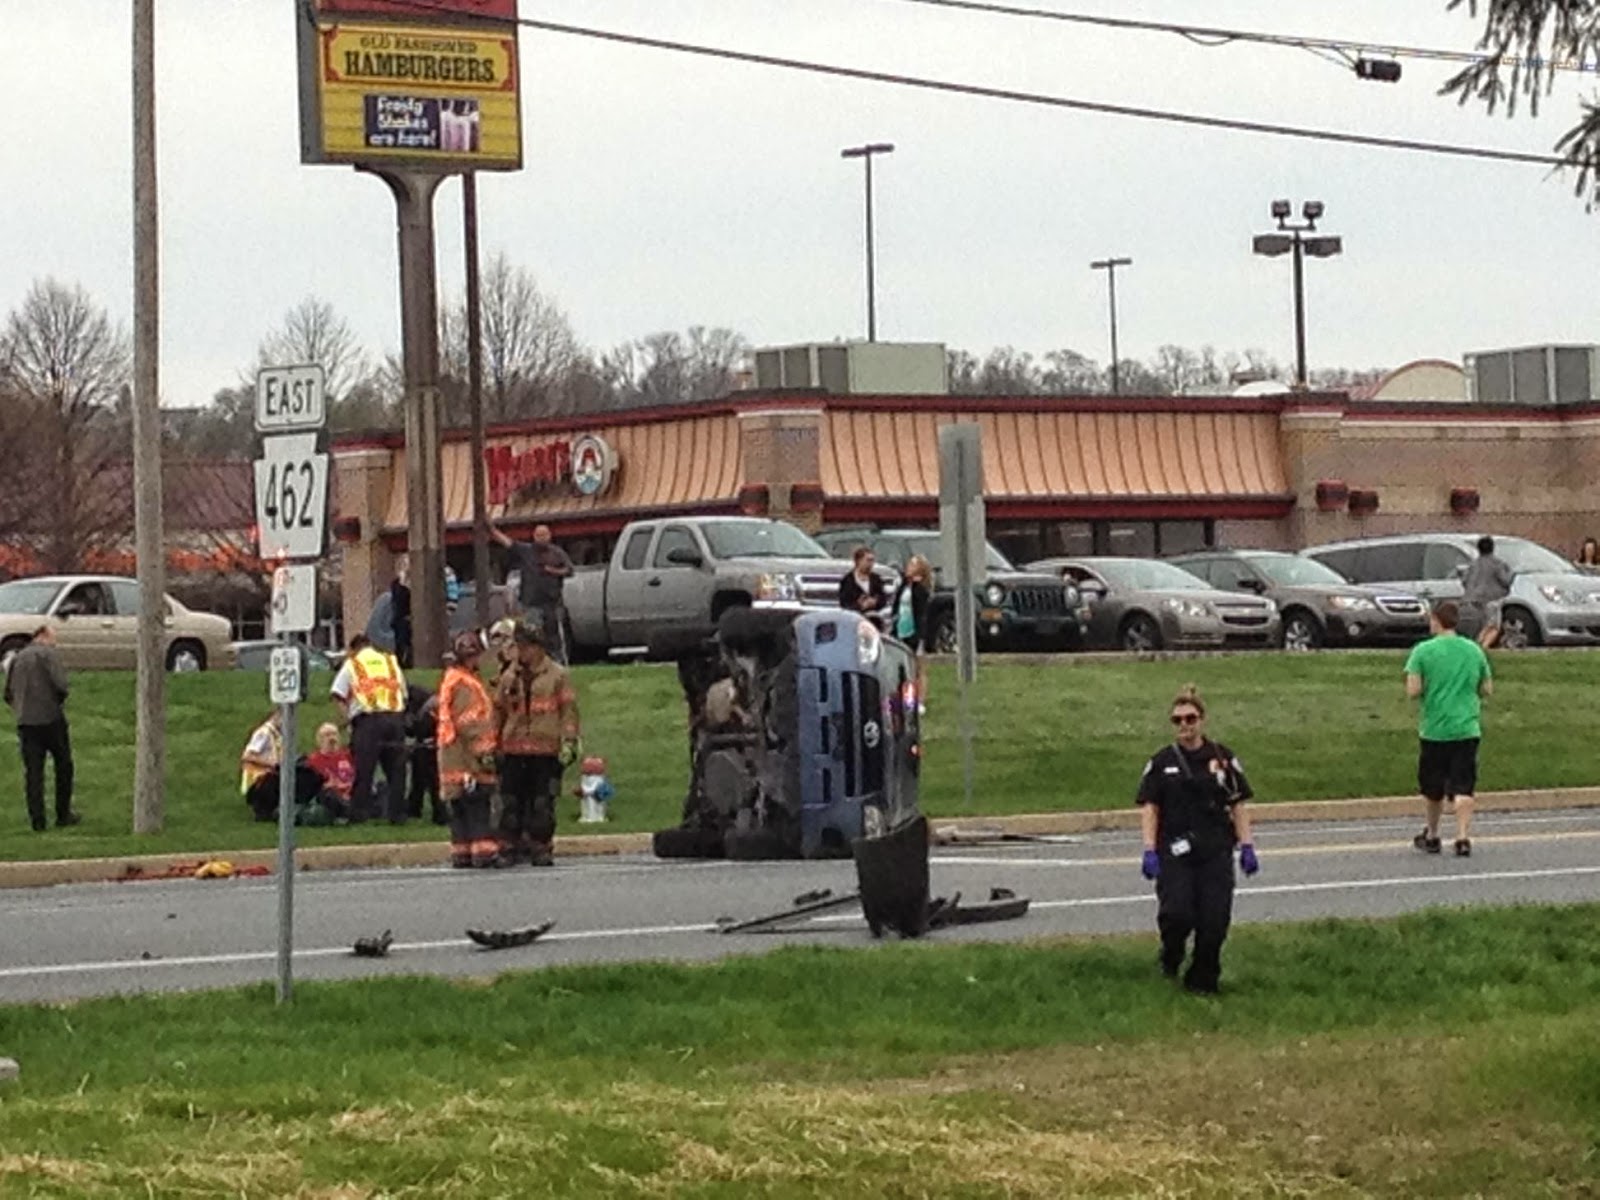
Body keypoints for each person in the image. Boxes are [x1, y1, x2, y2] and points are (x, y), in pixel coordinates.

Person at [1136, 683, 1257, 995]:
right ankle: (1171, 955)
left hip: (1214, 850)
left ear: (1202, 720)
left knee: (1214, 921)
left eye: (1190, 719)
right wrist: (1149, 849)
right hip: (1175, 851)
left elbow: (1238, 804)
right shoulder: (1162, 762)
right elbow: (1150, 808)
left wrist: (1247, 845)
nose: (1184, 725)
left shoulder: (1222, 758)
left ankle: (1202, 981)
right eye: (1177, 720)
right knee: (1177, 914)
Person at [1405, 600, 1493, 858]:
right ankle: (1462, 836)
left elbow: (1413, 690)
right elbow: (1487, 688)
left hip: (1435, 729)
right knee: (1464, 785)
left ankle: (1433, 834)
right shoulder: (1474, 650)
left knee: (1433, 787)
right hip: (1466, 727)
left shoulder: (1422, 651)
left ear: (1436, 620)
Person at [495, 622, 581, 867]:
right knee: (510, 802)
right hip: (513, 750)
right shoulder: (509, 677)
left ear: (538, 648)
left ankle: (541, 847)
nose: (521, 653)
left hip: (545, 751)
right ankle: (510, 847)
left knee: (542, 803)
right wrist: (493, 744)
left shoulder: (557, 676)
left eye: (525, 647)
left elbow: (568, 712)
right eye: (518, 647)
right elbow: (498, 712)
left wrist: (568, 742)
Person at [4, 626, 78, 831]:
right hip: (51, 718)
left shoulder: (17, 658)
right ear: (43, 636)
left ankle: (38, 820)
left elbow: (8, 693)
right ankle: (63, 814)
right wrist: (58, 702)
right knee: (64, 765)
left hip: (26, 722)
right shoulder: (48, 654)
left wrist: (21, 707)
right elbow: (61, 684)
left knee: (33, 773)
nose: (55, 643)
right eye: (53, 638)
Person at [329, 634, 409, 824]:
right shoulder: (390, 663)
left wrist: (347, 719)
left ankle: (359, 813)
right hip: (395, 719)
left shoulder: (353, 664)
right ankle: (397, 814)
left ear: (353, 649)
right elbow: (404, 695)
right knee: (396, 770)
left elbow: (337, 693)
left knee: (363, 769)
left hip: (368, 721)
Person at [437, 630, 500, 869]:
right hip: (468, 760)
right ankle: (484, 854)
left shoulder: (452, 679)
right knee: (477, 808)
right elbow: (471, 724)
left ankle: (461, 853)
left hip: (452, 756)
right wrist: (485, 754)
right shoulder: (465, 684)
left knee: (460, 811)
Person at [492, 522, 574, 665]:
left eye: (544, 535)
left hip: (552, 603)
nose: (542, 538)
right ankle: (534, 665)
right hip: (531, 603)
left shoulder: (557, 553)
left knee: (555, 638)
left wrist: (553, 571)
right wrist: (491, 529)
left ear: (550, 536)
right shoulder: (526, 551)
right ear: (534, 536)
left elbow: (570, 570)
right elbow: (507, 542)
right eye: (538, 535)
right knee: (532, 636)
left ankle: (559, 665)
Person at [890, 554, 932, 704]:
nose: (909, 567)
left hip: (914, 630)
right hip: (901, 626)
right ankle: (904, 697)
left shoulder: (920, 589)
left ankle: (919, 700)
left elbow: (921, 612)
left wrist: (920, 636)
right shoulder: (904, 586)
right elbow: (896, 605)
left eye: (913, 565)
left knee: (918, 667)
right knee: (902, 666)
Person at [1461, 535, 1514, 650]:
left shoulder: (1473, 564)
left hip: (1472, 600)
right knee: (1493, 626)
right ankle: (1483, 647)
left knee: (1483, 626)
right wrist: (1511, 572)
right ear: (1493, 548)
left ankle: (1477, 644)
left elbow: (1464, 581)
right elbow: (1505, 580)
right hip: (1491, 599)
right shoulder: (1497, 563)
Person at [402, 684, 445, 825]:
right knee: (427, 779)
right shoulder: (428, 701)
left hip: (429, 743)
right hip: (431, 742)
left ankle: (431, 811)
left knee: (429, 779)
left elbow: (413, 728)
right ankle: (420, 809)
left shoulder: (425, 707)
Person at [241, 710, 285, 822]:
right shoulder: (264, 733)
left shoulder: (277, 734)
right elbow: (247, 756)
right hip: (259, 777)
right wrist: (272, 763)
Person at [839, 546, 888, 627]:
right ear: (859, 561)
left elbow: (883, 598)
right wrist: (860, 605)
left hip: (874, 620)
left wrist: (875, 602)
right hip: (855, 621)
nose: (871, 564)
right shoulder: (848, 581)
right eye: (868, 560)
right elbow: (844, 604)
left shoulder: (876, 579)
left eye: (872, 560)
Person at [388, 558, 414, 670]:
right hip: (400, 619)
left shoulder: (414, 583)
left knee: (409, 642)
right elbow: (399, 598)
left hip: (409, 617)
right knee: (400, 642)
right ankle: (399, 663)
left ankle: (408, 661)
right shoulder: (396, 584)